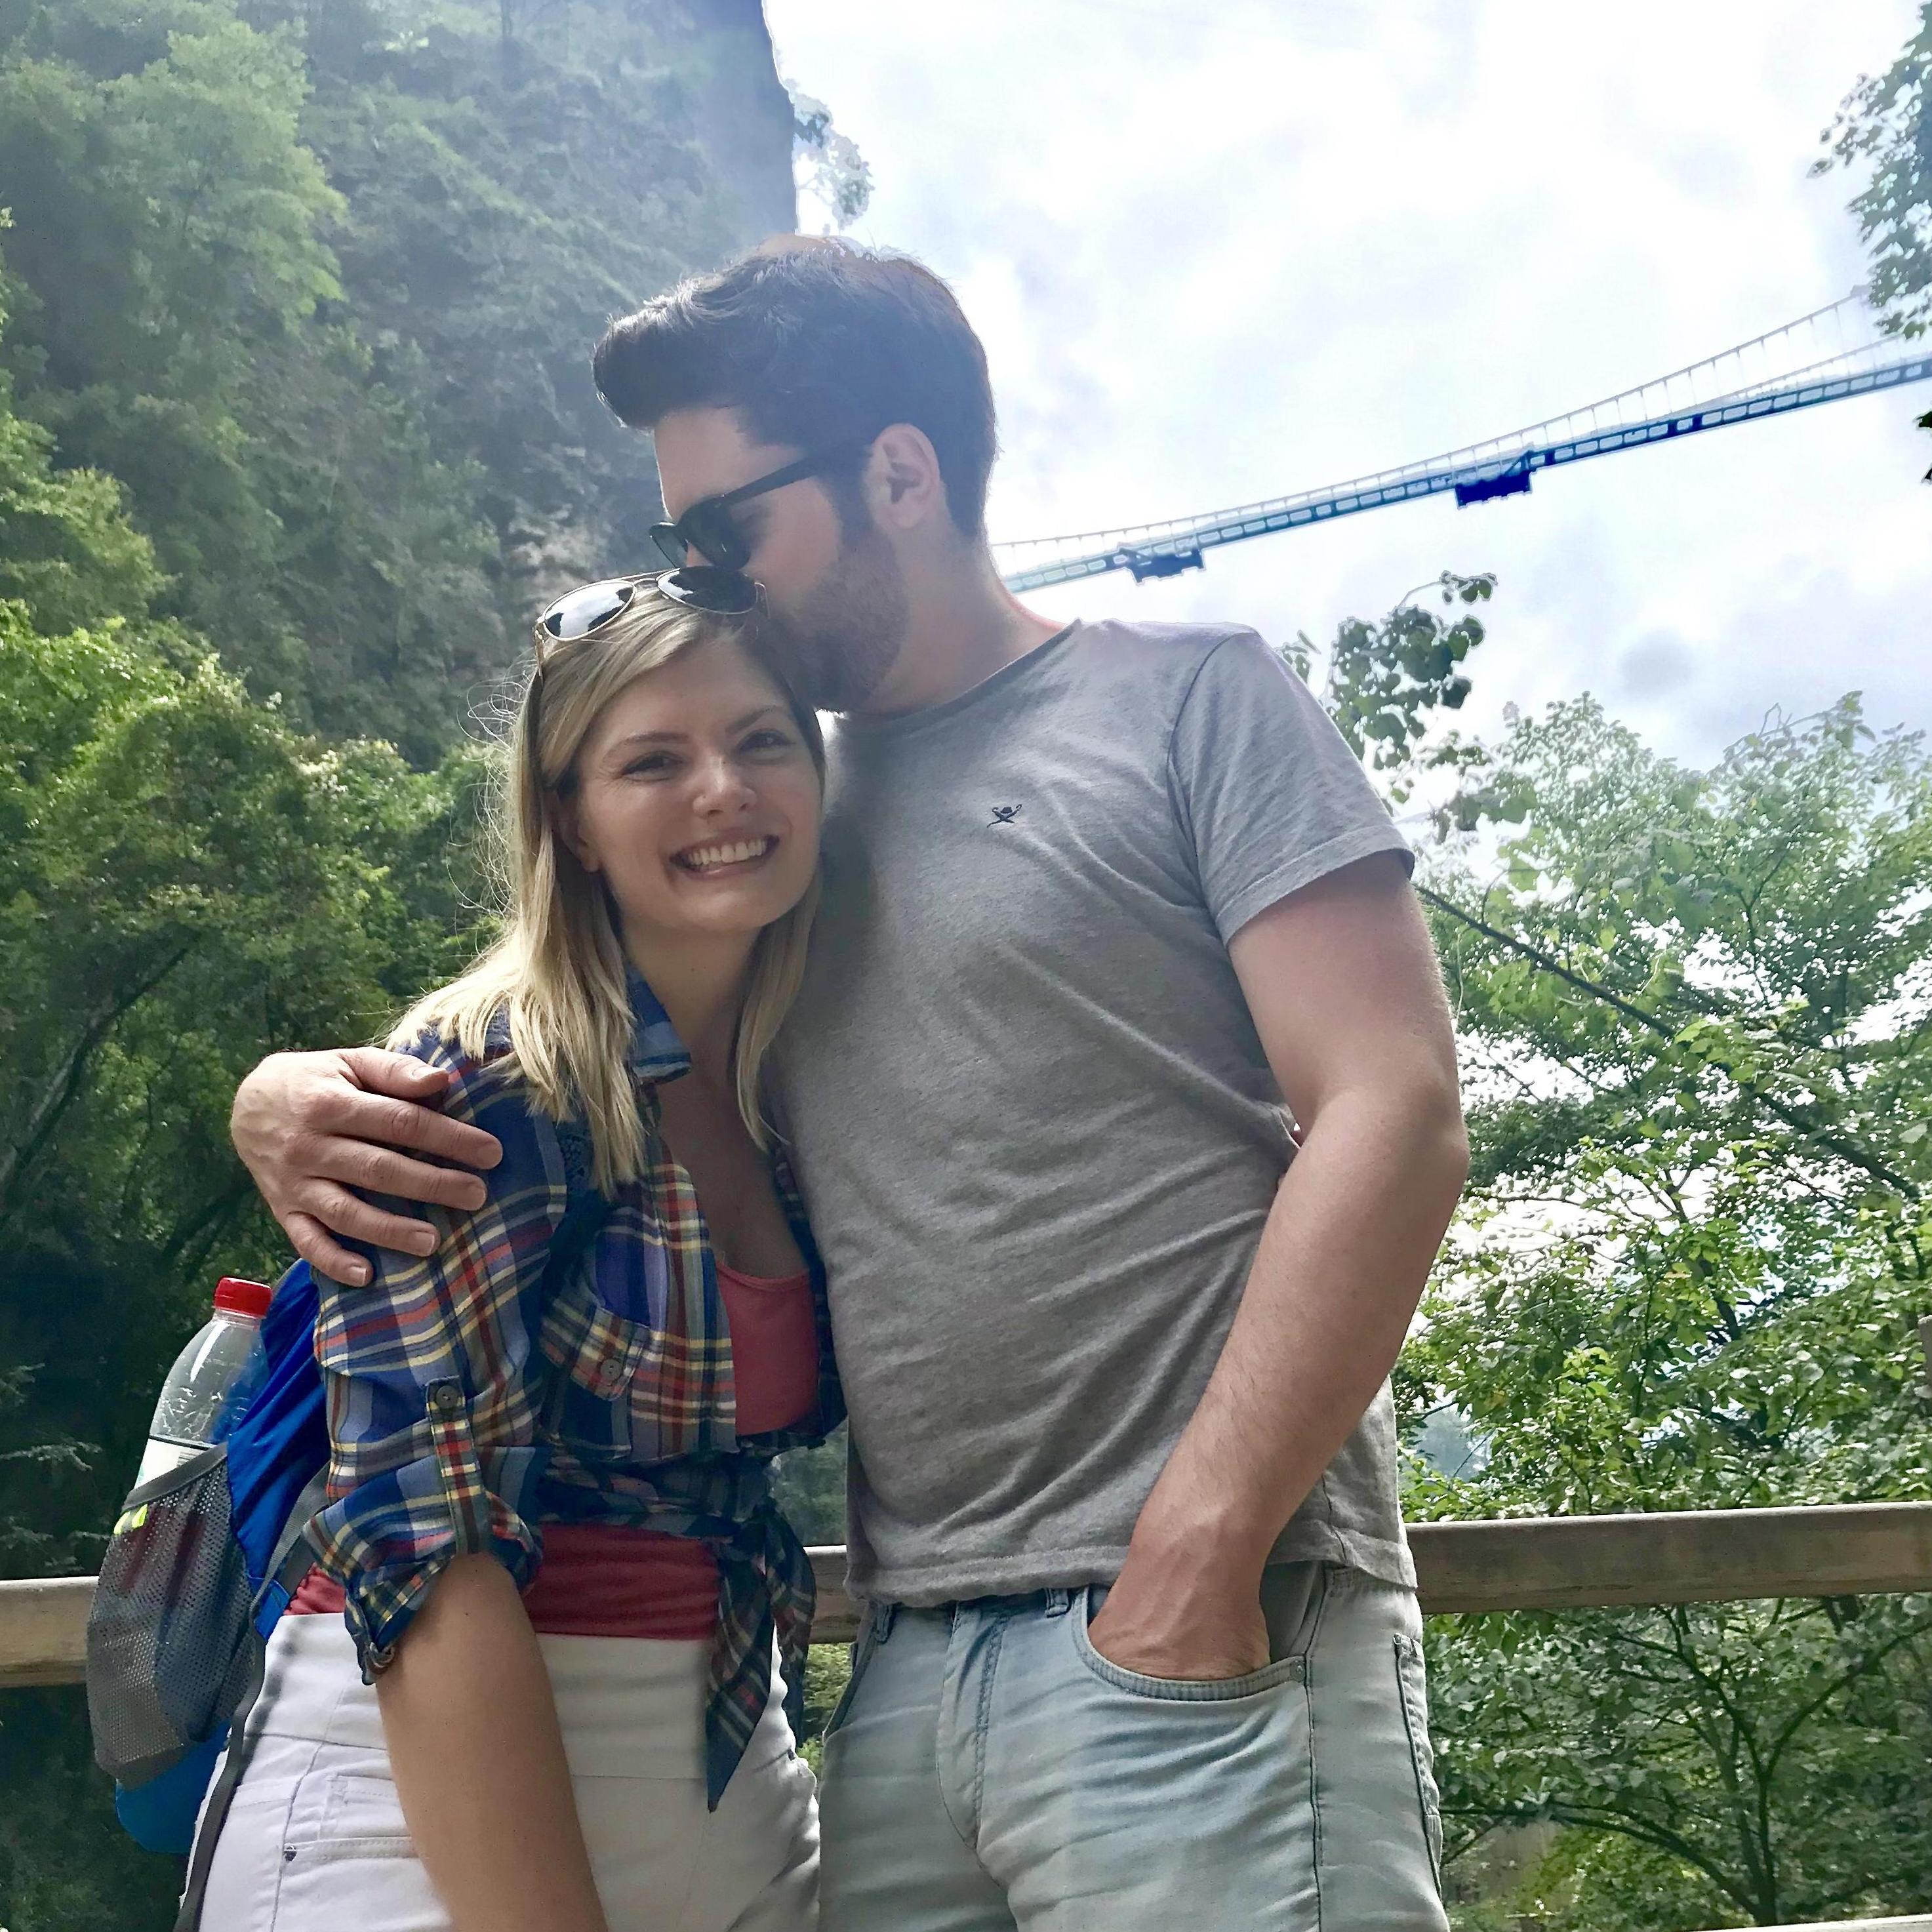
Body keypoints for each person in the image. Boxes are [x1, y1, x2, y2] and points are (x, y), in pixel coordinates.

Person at [231, 240, 1470, 1929]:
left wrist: (1199, 1552)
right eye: (682, 547)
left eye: (723, 529)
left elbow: (1391, 1104)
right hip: (887, 1677)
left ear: (898, 471)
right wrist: (288, 1089)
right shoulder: (790, 829)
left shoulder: (1190, 701)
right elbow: (566, 1031)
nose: (703, 578)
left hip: (1184, 1625)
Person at [199, 569, 842, 1932]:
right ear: (574, 821)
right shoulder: (487, 1086)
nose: (724, 789)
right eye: (654, 760)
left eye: (764, 740)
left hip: (730, 1767)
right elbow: (426, 1546)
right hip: (419, 1800)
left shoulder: (810, 1090)